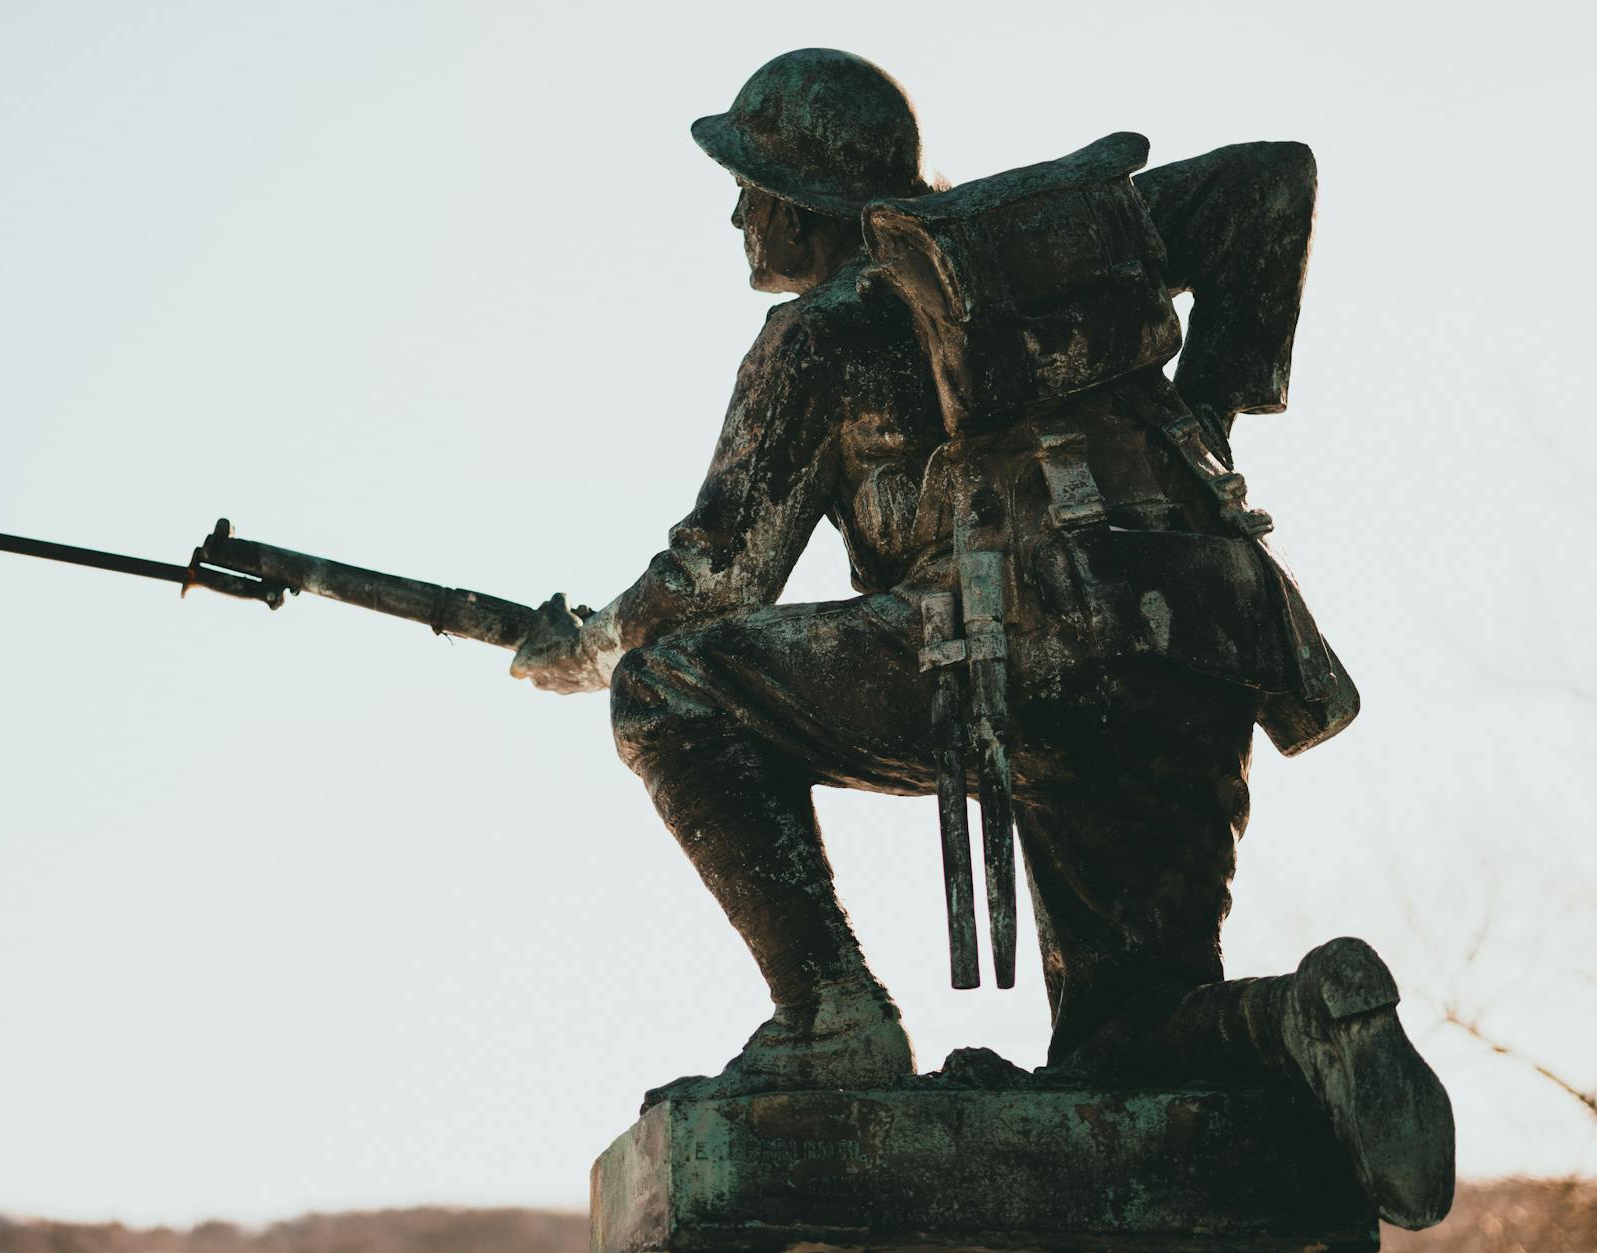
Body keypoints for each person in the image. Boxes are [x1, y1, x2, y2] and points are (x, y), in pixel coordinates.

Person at [508, 48, 1452, 1229]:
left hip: (1019, 651)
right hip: (1197, 637)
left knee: (666, 691)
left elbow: (716, 573)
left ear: (803, 204)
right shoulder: (1028, 261)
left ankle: (828, 1011)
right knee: (1127, 1032)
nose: (735, 209)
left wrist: (585, 650)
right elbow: (1271, 182)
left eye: (749, 182)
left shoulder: (822, 330)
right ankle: (1299, 1016)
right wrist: (1206, 420)